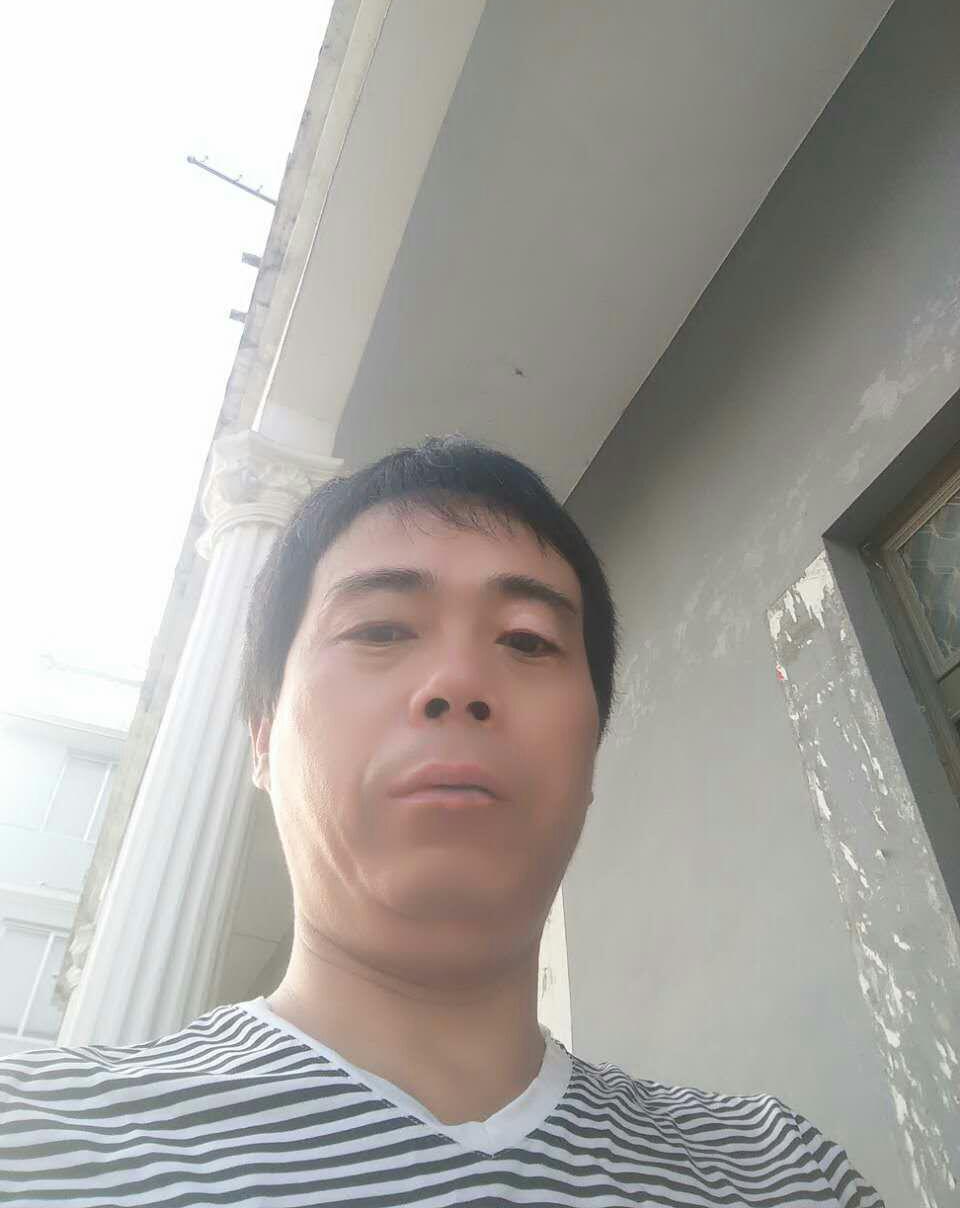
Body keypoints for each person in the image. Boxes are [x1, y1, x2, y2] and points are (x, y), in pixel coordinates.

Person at [1, 437, 883, 1206]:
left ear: (589, 756)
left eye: (528, 640)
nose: (458, 682)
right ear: (263, 740)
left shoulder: (780, 1172)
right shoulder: (38, 1142)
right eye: (382, 630)